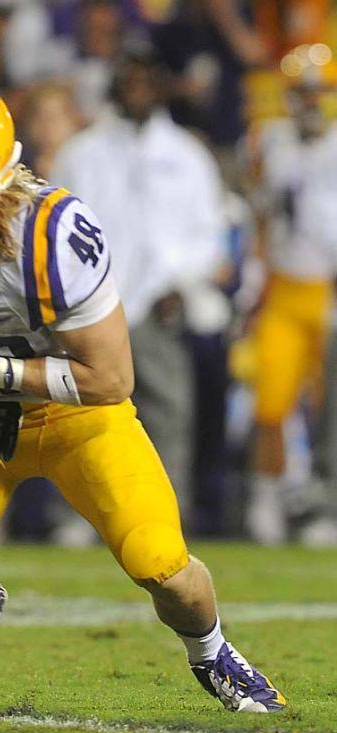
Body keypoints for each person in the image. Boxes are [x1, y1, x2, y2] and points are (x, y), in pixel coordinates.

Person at [0, 70, 285, 713]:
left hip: (73, 417)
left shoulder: (45, 236)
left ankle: (212, 652)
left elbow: (111, 379)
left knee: (163, 567)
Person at [52, 50, 225, 514]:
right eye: (129, 80)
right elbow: (53, 232)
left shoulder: (187, 155)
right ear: (114, 86)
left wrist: (179, 282)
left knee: (168, 414)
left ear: (162, 87)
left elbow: (209, 234)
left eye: (148, 80)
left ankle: (165, 517)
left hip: (159, 305)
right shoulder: (81, 152)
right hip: (92, 308)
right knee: (82, 416)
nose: (138, 89)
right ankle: (82, 519)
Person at [242, 50, 337, 544]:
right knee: (271, 402)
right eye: (302, 92)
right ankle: (267, 497)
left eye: (318, 91)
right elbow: (261, 219)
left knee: (332, 410)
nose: (310, 103)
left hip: (329, 290)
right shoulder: (271, 144)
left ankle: (326, 502)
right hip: (284, 288)